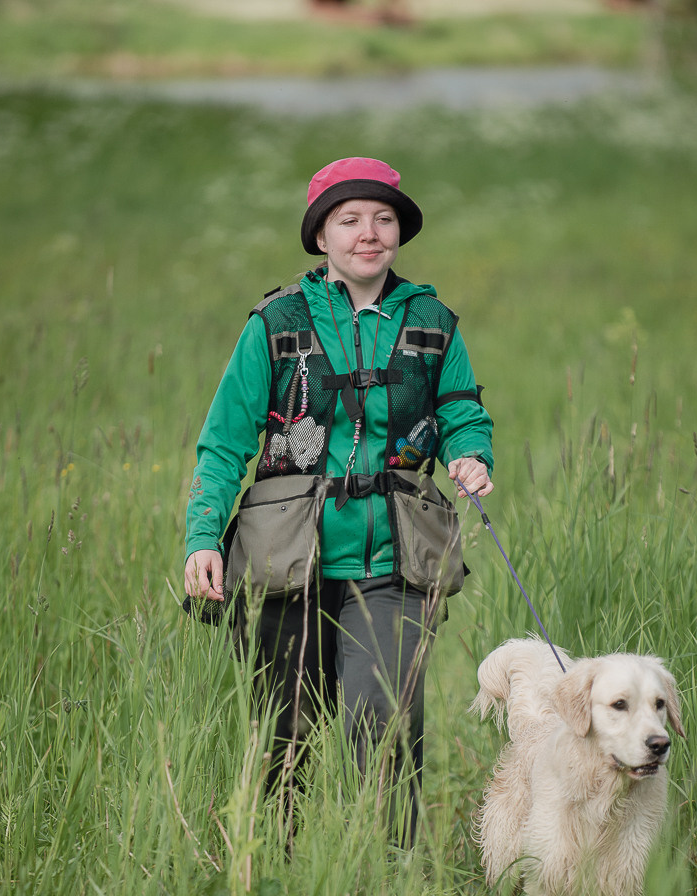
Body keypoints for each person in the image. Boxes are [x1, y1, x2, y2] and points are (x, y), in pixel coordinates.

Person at [184, 156, 493, 843]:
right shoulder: (275, 322)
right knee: (283, 731)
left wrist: (470, 453)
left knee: (381, 722)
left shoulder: (433, 322)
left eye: (383, 219)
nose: (368, 233)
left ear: (399, 234)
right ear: (320, 235)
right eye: (349, 220)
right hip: (284, 562)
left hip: (394, 560)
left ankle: (391, 878)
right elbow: (224, 442)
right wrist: (204, 536)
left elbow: (461, 409)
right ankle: (276, 869)